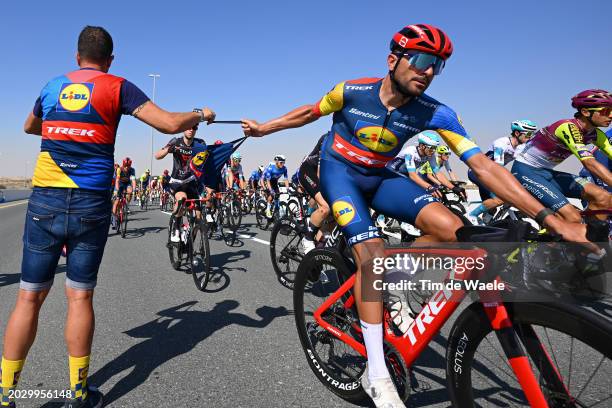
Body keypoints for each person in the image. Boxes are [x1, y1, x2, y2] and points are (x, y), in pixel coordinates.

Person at [242, 23, 588, 407]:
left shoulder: (436, 113)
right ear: (394, 60)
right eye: (421, 60)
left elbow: (485, 168)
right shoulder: (351, 91)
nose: (428, 71)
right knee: (372, 258)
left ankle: (396, 281)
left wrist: (553, 219)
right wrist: (262, 128)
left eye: (437, 66)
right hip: (339, 174)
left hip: (380, 177)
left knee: (456, 231)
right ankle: (376, 374)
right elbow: (307, 113)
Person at [1, 25, 215, 408]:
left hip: (45, 199)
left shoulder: (52, 86)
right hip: (90, 202)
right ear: (110, 59)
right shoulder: (118, 86)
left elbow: (30, 126)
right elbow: (168, 123)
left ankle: (6, 395)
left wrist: (62, 130)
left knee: (28, 299)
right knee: (79, 297)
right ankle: (77, 396)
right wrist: (200, 113)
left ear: (76, 56)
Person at [512, 90, 612, 223]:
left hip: (547, 173)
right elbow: (589, 163)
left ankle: (588, 235)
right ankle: (555, 239)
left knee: (604, 198)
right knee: (572, 217)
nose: (611, 115)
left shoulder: (596, 134)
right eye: (606, 111)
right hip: (525, 171)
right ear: (585, 112)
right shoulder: (567, 127)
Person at [468, 119, 537, 223]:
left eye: (532, 134)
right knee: (500, 198)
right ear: (517, 133)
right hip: (477, 171)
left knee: (492, 208)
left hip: (491, 173)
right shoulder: (502, 143)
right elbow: (498, 166)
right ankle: (471, 215)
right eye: (528, 134)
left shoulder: (520, 148)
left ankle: (487, 226)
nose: (530, 137)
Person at [155, 125, 206, 242]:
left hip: (192, 183)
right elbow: (157, 156)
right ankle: (176, 229)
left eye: (194, 128)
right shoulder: (175, 141)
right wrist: (169, 149)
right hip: (177, 182)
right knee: (181, 200)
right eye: (189, 127)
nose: (191, 129)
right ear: (184, 128)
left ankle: (190, 243)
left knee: (199, 217)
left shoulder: (200, 144)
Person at [388, 130, 464, 199]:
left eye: (435, 148)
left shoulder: (430, 155)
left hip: (405, 174)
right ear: (422, 146)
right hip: (391, 173)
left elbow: (437, 173)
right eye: (431, 148)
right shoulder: (410, 152)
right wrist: (429, 187)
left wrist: (453, 188)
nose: (433, 151)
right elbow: (413, 175)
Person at [297, 134, 331, 253]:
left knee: (338, 212)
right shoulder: (328, 139)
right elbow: (319, 173)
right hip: (309, 171)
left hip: (327, 174)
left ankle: (317, 250)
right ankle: (307, 237)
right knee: (325, 207)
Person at [112, 157, 136, 228]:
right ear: (123, 165)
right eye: (125, 166)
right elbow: (117, 180)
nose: (127, 168)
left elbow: (133, 181)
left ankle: (126, 205)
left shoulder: (132, 170)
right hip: (120, 183)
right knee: (116, 202)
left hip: (127, 183)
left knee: (130, 191)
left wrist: (134, 190)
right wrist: (116, 190)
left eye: (128, 166)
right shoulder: (119, 169)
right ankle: (114, 220)